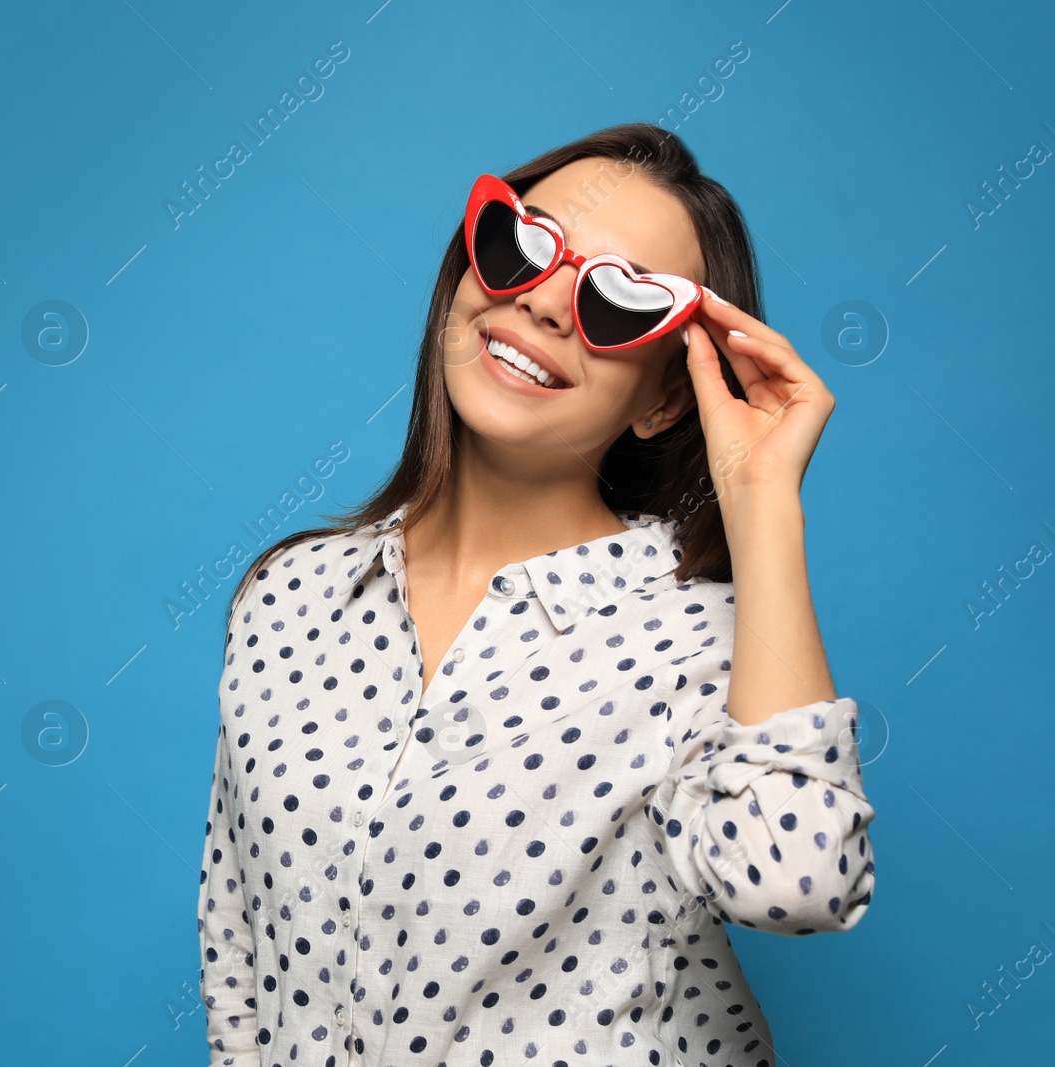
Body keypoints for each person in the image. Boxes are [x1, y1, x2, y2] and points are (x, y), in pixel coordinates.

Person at [195, 122, 877, 1066]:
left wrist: (759, 498)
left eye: (622, 298)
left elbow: (799, 883)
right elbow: (238, 941)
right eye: (524, 244)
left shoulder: (706, 640)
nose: (550, 305)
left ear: (666, 398)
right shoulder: (289, 596)